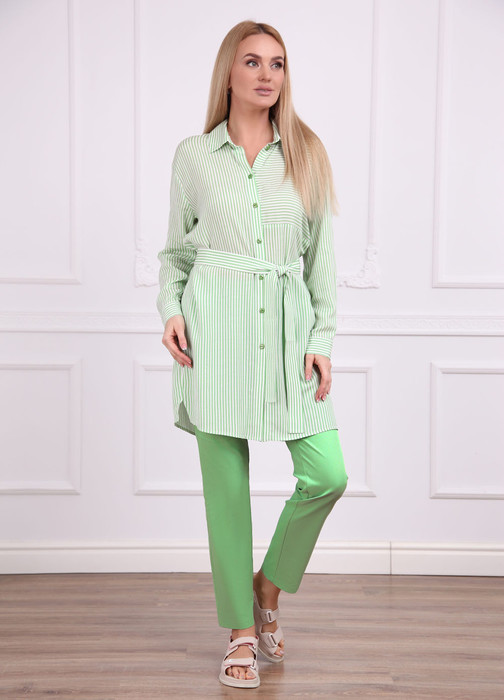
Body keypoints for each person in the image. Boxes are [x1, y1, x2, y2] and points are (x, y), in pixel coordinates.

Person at [156, 20, 348, 689]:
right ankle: (240, 630)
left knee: (327, 473)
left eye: (278, 63)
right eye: (253, 62)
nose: (267, 74)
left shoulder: (307, 153)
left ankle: (268, 585)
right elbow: (175, 253)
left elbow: (321, 258)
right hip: (213, 330)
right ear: (229, 72)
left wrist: (321, 339)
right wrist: (171, 309)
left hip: (288, 331)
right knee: (227, 490)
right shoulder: (193, 155)